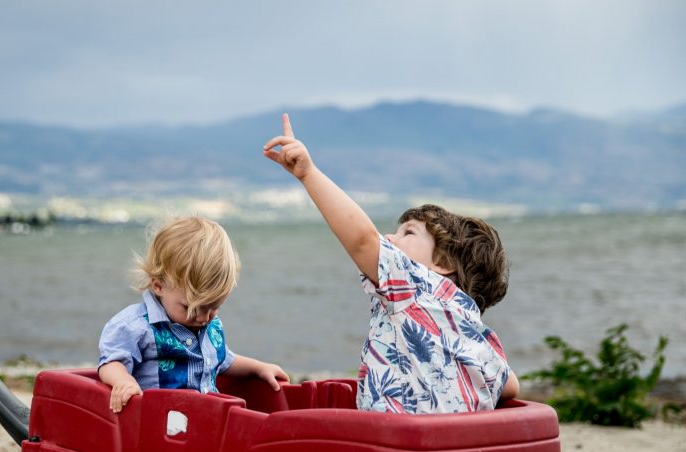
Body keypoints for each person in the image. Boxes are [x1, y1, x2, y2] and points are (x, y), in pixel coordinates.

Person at [264, 114, 519, 414]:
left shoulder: (414, 287)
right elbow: (510, 384)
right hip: (448, 451)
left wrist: (309, 174)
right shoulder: (479, 335)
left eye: (407, 233)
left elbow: (362, 239)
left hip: (397, 446)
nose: (389, 238)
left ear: (442, 262)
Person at [99, 216, 289, 413]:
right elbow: (111, 362)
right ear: (158, 286)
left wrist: (258, 368)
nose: (203, 318)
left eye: (214, 307)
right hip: (156, 424)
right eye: (191, 308)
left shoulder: (208, 324)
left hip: (205, 423)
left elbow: (222, 359)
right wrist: (123, 381)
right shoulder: (136, 326)